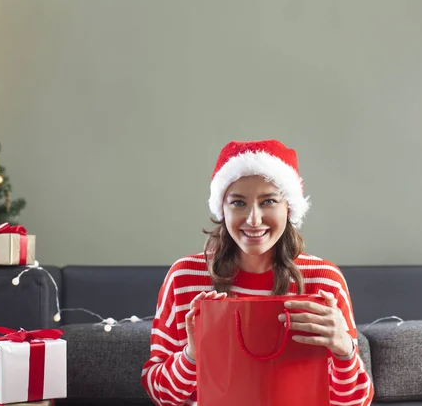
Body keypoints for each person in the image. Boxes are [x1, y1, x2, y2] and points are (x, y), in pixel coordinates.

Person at [141, 139, 374, 406]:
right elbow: (160, 396)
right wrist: (193, 354)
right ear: (222, 208)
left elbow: (355, 403)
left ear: (289, 207)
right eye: (238, 203)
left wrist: (344, 351)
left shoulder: (323, 280)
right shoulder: (184, 277)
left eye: (268, 201)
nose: (253, 219)